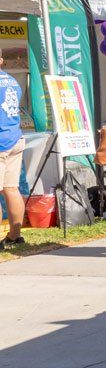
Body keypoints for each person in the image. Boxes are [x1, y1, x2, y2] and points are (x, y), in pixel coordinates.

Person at [0, 69, 24, 250]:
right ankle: (15, 236)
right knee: (11, 188)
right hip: (15, 138)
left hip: (1, 141)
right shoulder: (11, 80)